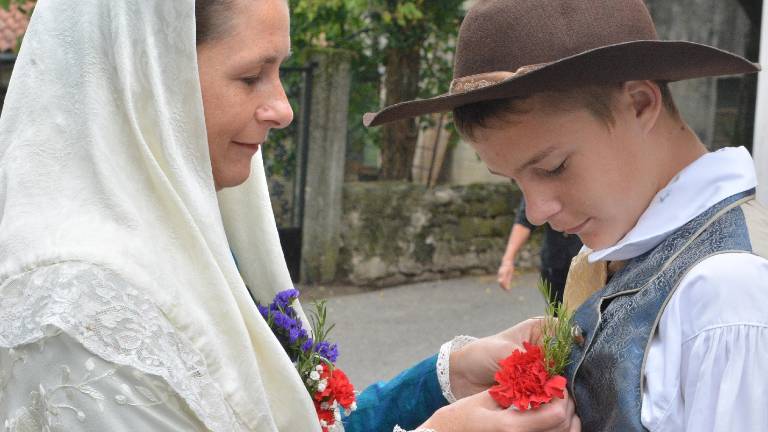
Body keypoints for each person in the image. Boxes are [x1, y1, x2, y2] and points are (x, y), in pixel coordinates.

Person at [0, 1, 580, 431]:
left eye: (280, 72)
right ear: (148, 76)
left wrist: (444, 379)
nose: (283, 107)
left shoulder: (189, 237)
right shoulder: (77, 310)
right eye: (251, 75)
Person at [363, 0, 768, 430]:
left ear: (639, 103)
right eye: (514, 180)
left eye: (554, 167)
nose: (536, 211)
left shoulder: (727, 294)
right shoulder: (626, 248)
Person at [498, 199, 582, 305]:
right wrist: (508, 260)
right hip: (555, 266)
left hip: (592, 264)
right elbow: (524, 220)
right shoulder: (541, 184)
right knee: (559, 316)